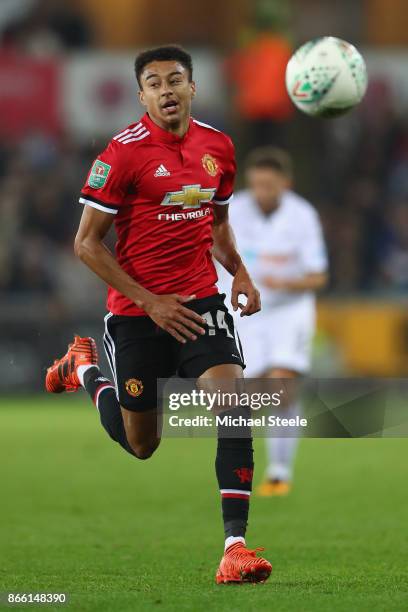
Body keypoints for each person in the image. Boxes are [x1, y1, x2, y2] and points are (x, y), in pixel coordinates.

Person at [45, 45, 272, 584]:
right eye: (154, 82)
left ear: (193, 88)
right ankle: (84, 370)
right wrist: (149, 301)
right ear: (140, 94)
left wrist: (238, 271)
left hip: (199, 303)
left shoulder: (219, 146)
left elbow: (216, 223)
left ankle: (235, 548)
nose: (166, 89)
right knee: (142, 445)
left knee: (234, 405)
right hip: (136, 313)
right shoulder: (121, 155)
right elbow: (86, 244)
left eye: (175, 80)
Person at [217, 147, 328, 496]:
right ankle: (241, 471)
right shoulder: (232, 209)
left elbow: (318, 277)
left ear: (285, 183)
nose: (263, 191)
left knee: (282, 384)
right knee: (242, 397)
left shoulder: (303, 216)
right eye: (258, 185)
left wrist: (287, 284)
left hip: (288, 311)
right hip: (243, 312)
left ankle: (279, 471)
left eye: (271, 185)